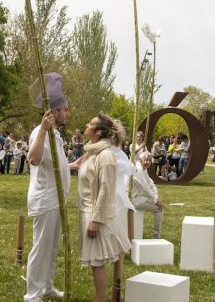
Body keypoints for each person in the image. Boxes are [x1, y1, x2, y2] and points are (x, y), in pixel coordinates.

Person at [24, 73, 70, 302]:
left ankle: (47, 287)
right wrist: (42, 129)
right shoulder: (39, 132)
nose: (67, 113)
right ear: (55, 111)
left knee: (52, 248)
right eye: (65, 110)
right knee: (41, 248)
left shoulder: (57, 136)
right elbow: (33, 159)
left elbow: (55, 165)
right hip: (45, 199)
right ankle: (32, 294)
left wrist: (73, 165)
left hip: (57, 199)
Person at [75, 113, 131, 302]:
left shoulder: (105, 155)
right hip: (86, 211)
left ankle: (100, 299)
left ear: (98, 131)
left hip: (95, 215)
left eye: (90, 124)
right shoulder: (91, 152)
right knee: (95, 261)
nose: (86, 124)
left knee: (97, 261)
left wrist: (96, 220)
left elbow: (106, 190)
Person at [131, 151, 164, 238]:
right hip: (131, 199)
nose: (148, 162)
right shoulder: (138, 170)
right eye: (146, 160)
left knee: (158, 206)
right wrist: (156, 201)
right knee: (159, 208)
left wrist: (156, 197)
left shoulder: (143, 169)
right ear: (140, 160)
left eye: (149, 160)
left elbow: (151, 183)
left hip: (134, 197)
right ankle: (155, 237)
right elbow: (145, 187)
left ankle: (155, 236)